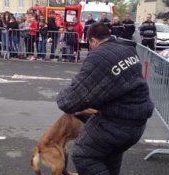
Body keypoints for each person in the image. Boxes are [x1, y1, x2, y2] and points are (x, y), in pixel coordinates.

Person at [57, 22, 154, 175]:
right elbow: (113, 85)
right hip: (137, 119)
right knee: (110, 155)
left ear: (93, 41)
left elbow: (68, 101)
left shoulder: (98, 55)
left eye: (89, 44)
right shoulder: (127, 49)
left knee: (83, 154)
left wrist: (66, 93)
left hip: (118, 123)